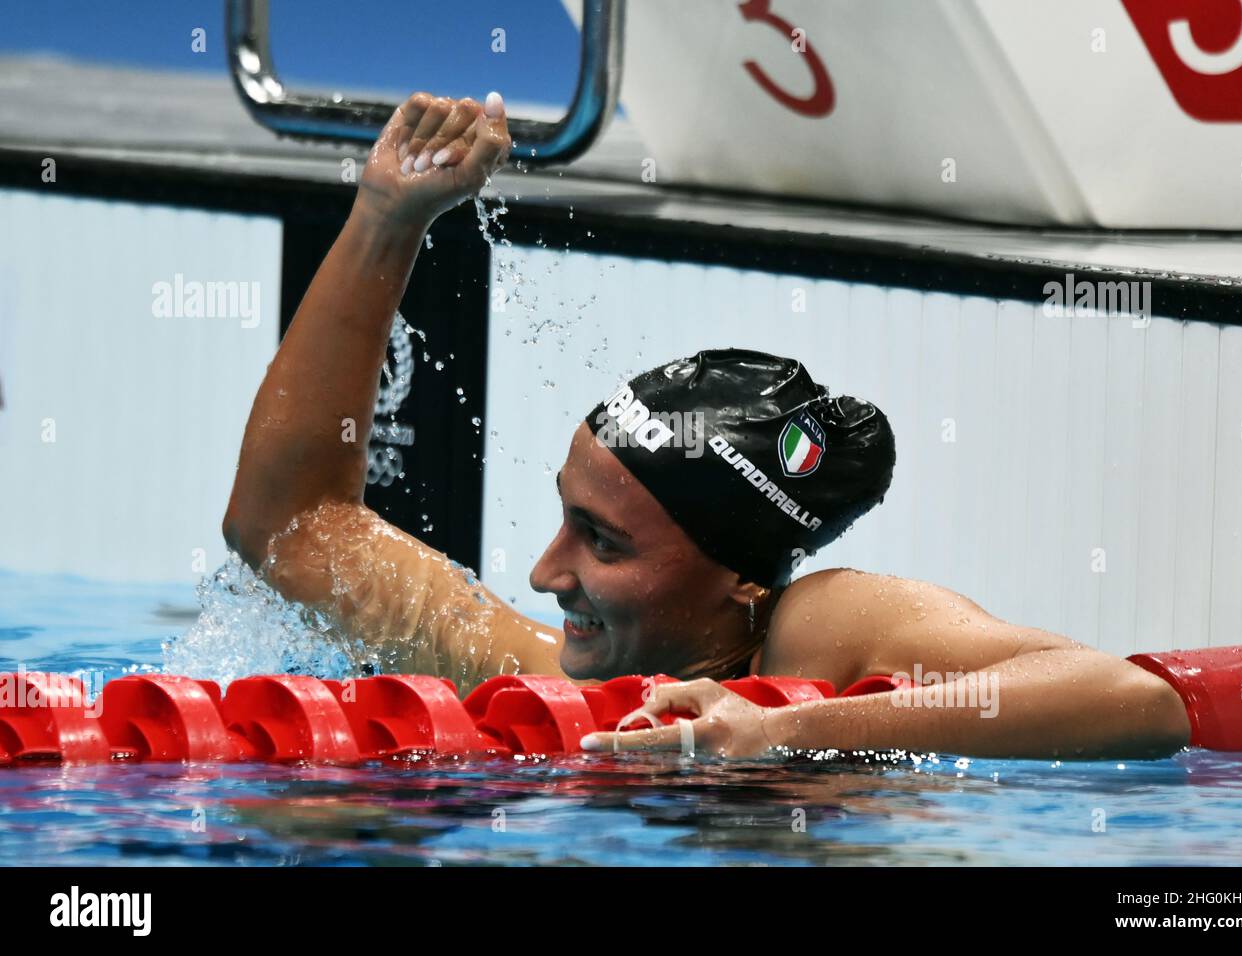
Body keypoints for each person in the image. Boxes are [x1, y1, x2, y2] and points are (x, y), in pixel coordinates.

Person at [222, 91, 1191, 760]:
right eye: (566, 518)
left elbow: (1129, 698)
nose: (544, 571)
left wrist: (782, 729)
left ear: (738, 575)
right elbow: (286, 526)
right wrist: (386, 220)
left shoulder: (816, 630)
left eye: (601, 539)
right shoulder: (530, 672)